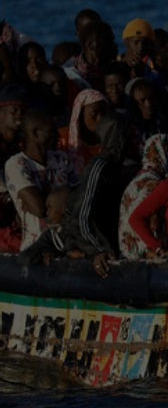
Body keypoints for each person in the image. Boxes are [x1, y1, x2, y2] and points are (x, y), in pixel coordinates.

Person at [59, 113, 133, 276]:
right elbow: (81, 217)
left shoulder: (123, 167)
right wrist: (97, 250)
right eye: (130, 135)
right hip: (85, 241)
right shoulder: (99, 167)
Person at [5, 110, 77, 252]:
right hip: (36, 247)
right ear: (35, 134)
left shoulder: (61, 158)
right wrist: (62, 197)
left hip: (66, 244)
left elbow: (79, 198)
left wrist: (43, 195)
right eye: (50, 131)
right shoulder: (16, 163)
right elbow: (38, 209)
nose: (57, 135)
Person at [117, 134, 168, 258]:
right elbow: (136, 219)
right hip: (145, 254)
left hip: (128, 253)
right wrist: (156, 248)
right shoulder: (154, 184)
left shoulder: (137, 179)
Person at [65, 21, 116, 91]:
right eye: (108, 42)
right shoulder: (71, 75)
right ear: (90, 45)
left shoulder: (112, 68)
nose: (113, 46)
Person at [66, 89, 109, 170]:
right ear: (80, 114)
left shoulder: (113, 140)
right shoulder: (63, 139)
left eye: (104, 113)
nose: (100, 119)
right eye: (94, 114)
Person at [120, 18, 158, 82]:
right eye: (136, 42)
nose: (141, 47)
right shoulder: (116, 65)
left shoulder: (155, 66)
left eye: (145, 43)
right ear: (126, 42)